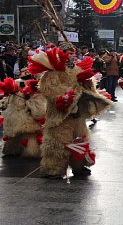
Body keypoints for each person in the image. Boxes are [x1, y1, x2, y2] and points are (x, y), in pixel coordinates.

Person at [28, 43, 112, 178]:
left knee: (79, 138)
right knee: (58, 142)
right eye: (68, 53)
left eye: (73, 53)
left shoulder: (77, 69)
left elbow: (87, 88)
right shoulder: (53, 71)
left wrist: (87, 83)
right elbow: (49, 89)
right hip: (60, 114)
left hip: (77, 113)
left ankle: (79, 166)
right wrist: (69, 93)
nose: (72, 56)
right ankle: (53, 169)